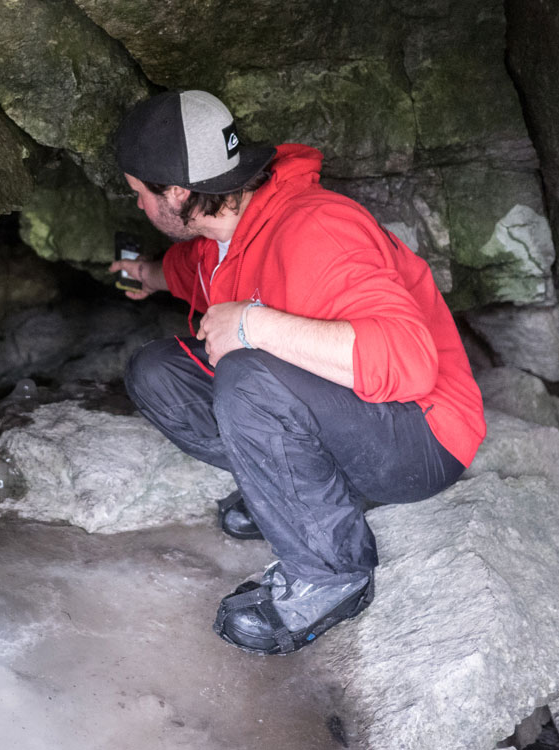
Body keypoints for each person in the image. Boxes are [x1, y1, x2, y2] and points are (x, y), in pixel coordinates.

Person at [109, 90, 485, 655]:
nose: (137, 206)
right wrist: (143, 274)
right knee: (156, 371)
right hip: (358, 419)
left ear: (179, 192)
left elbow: (406, 359)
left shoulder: (318, 226)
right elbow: (185, 272)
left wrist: (253, 324)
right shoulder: (218, 237)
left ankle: (332, 576)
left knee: (246, 378)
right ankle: (303, 499)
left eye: (139, 193)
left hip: (423, 436)